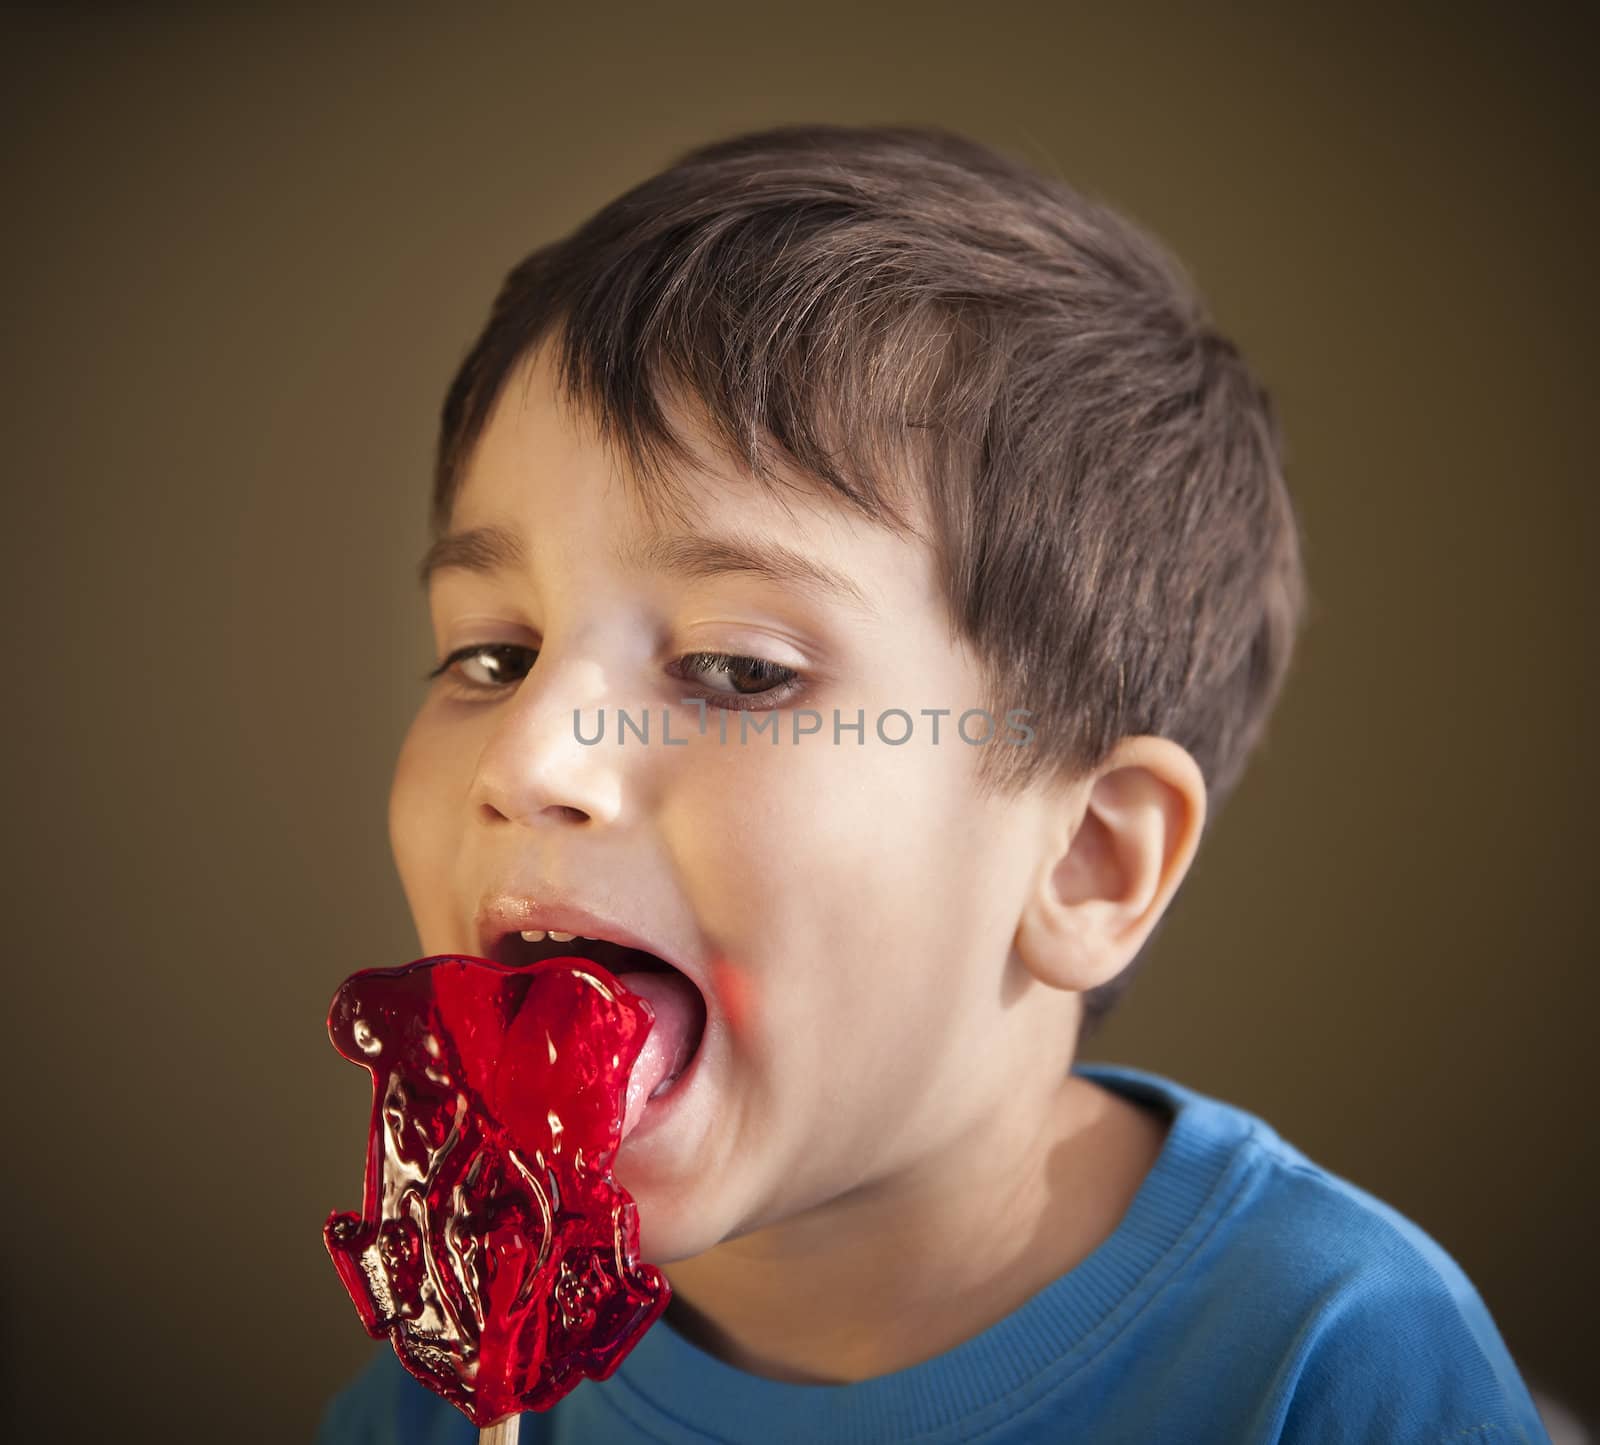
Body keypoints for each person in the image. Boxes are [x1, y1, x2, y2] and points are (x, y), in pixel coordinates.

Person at [316, 122, 1552, 1443]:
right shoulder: (448, 1393)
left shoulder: (1331, 1363)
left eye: (736, 668)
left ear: (1085, 859)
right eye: (491, 654)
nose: (526, 759)